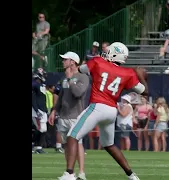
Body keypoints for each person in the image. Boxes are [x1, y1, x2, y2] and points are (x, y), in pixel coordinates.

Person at [59, 42, 148, 180]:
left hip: (98, 106)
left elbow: (82, 69)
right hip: (112, 111)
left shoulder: (99, 61)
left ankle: (69, 174)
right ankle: (132, 175)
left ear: (113, 53)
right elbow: (145, 92)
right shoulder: (128, 73)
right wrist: (140, 75)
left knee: (72, 135)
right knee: (109, 145)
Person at [48, 51, 89, 180]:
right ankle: (69, 173)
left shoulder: (83, 77)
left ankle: (81, 173)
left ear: (73, 61)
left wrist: (71, 79)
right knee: (67, 145)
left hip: (76, 116)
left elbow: (78, 93)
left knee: (78, 144)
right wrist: (54, 110)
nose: (63, 61)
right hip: (64, 116)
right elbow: (61, 96)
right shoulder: (65, 78)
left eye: (65, 59)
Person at [32, 70, 48, 154]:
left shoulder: (41, 85)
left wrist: (45, 109)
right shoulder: (35, 85)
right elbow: (33, 98)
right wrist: (36, 109)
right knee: (40, 128)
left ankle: (37, 146)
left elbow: (43, 99)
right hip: (37, 110)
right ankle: (37, 147)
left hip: (42, 109)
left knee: (43, 129)